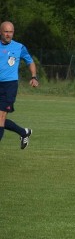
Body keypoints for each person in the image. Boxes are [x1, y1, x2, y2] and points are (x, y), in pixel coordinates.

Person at [0, 21, 38, 149]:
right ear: (1, 32)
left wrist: (33, 76)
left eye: (10, 32)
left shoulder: (19, 47)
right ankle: (23, 132)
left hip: (9, 86)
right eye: (6, 31)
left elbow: (30, 61)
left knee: (0, 117)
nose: (8, 34)